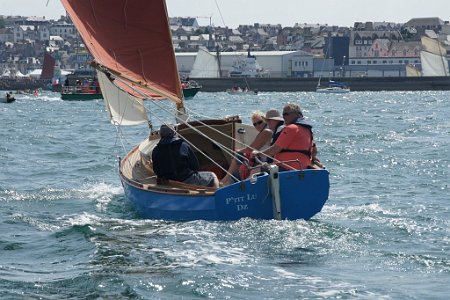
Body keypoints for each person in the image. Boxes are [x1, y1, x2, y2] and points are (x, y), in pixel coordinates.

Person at [152, 124, 219, 188]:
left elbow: (157, 172)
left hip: (169, 182)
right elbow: (195, 166)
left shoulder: (155, 150)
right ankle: (215, 194)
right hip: (186, 179)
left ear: (161, 135)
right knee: (212, 176)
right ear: (174, 133)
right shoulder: (183, 145)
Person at [253, 103, 316, 170]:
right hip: (302, 167)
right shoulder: (308, 131)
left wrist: (259, 154)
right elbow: (314, 151)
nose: (284, 117)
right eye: (283, 115)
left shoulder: (291, 128)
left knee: (257, 171)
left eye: (286, 114)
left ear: (296, 114)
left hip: (286, 168)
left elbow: (275, 149)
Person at [220, 111, 272, 186]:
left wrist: (238, 150)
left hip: (263, 162)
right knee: (238, 167)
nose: (257, 125)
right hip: (258, 160)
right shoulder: (263, 132)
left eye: (259, 122)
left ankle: (225, 180)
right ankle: (227, 181)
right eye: (255, 124)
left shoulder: (266, 132)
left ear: (265, 120)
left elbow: (250, 149)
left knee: (238, 155)